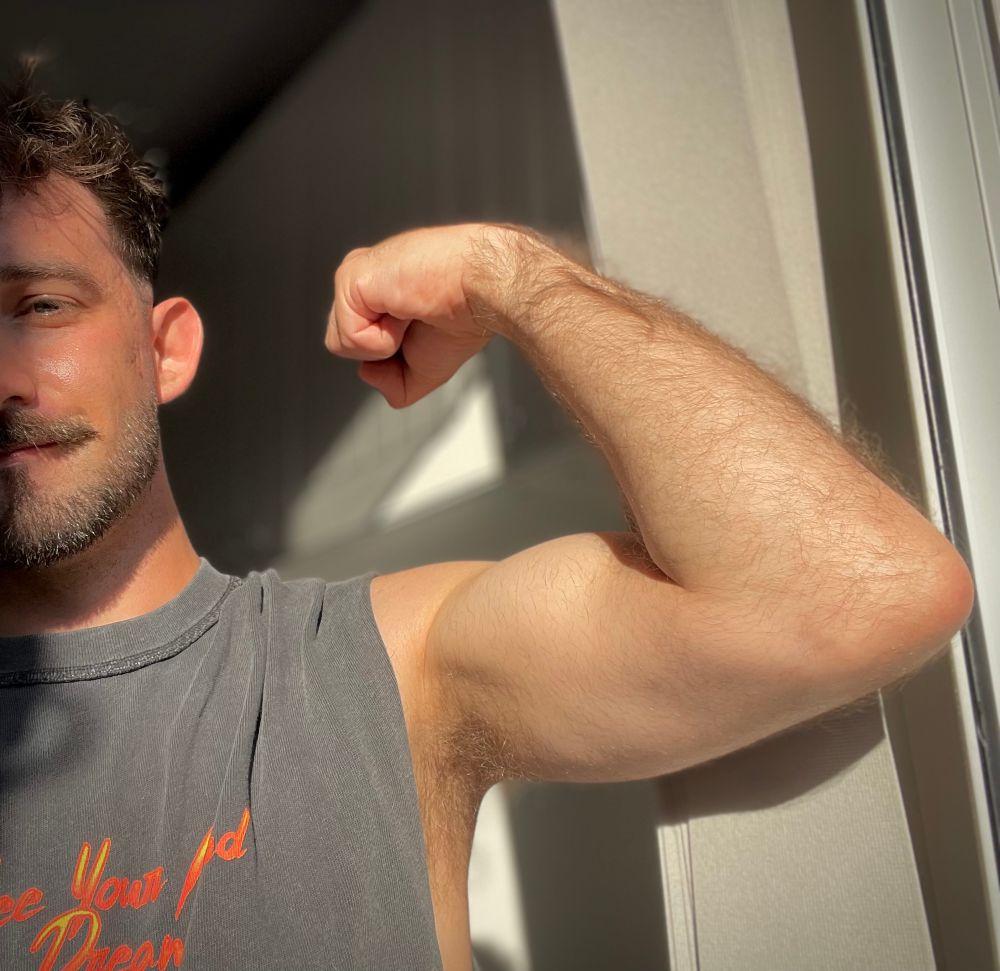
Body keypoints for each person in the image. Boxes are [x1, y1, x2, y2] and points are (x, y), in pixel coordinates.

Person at [0, 64, 974, 971]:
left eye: (40, 306)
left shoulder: (381, 664)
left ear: (164, 351)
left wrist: (507, 273)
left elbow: (853, 593)